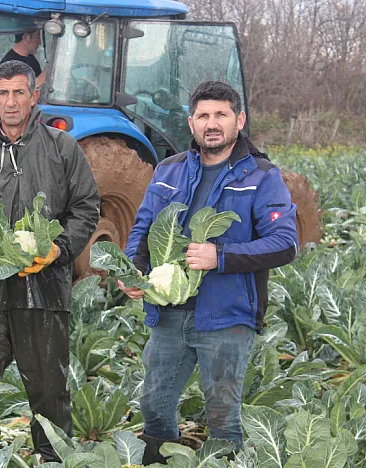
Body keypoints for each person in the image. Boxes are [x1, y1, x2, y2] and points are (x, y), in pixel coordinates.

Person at [120, 80, 298, 461]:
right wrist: (134, 270)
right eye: (203, 115)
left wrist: (222, 255)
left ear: (240, 120)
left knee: (221, 416)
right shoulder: (169, 170)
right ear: (191, 122)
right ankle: (160, 459)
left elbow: (285, 242)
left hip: (227, 316)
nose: (211, 123)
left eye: (221, 114)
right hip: (169, 313)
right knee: (153, 407)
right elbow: (143, 228)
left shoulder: (262, 176)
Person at [0, 60, 100, 461]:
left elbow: (85, 209)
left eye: (19, 93)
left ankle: (52, 457)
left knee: (49, 389)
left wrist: (58, 250)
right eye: (3, 93)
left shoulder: (62, 149)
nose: (11, 102)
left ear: (34, 96)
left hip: (43, 290)